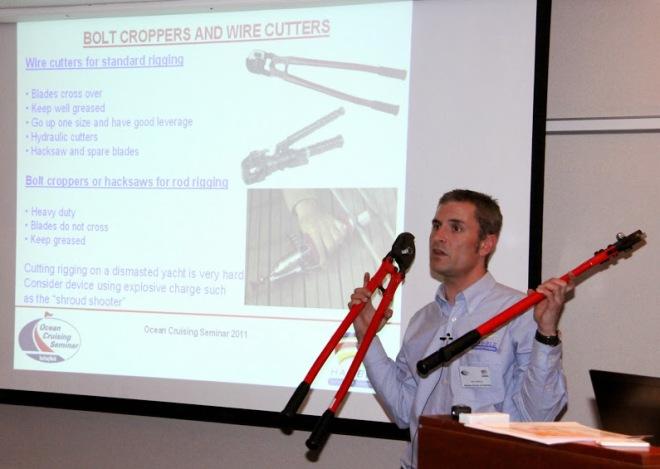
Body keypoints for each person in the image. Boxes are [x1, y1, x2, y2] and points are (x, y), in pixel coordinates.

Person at [350, 189, 571, 469]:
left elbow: (540, 413)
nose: (438, 237)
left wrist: (547, 333)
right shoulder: (423, 320)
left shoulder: (520, 312)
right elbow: (404, 410)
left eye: (455, 228)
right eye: (436, 225)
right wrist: (367, 336)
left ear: (485, 244)